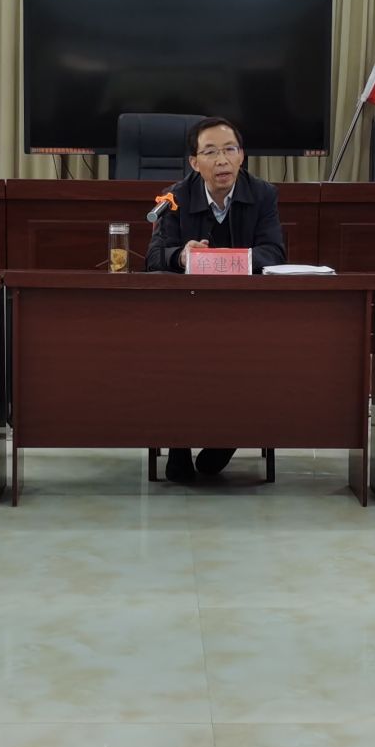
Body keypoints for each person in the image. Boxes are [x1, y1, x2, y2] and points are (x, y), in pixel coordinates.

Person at [147, 116, 286, 483]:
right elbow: (154, 256)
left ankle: (228, 435)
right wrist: (182, 256)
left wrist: (226, 260)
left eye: (229, 150)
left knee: (249, 357)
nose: (222, 160)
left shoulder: (263, 194)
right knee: (173, 355)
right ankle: (177, 445)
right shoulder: (174, 198)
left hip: (246, 312)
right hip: (188, 312)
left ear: (242, 156)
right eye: (210, 152)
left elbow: (274, 252)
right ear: (195, 163)